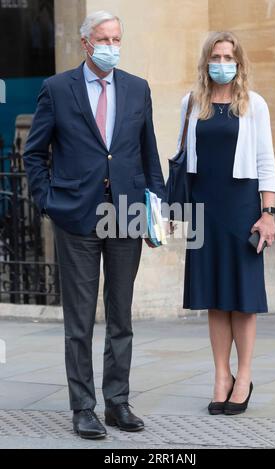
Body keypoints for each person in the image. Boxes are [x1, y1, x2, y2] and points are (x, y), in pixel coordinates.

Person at [24, 10, 166, 439]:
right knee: (80, 319)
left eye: (116, 39)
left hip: (126, 214)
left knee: (121, 315)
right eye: (103, 39)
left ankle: (117, 401)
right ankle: (82, 406)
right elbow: (34, 154)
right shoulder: (56, 89)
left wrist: (158, 203)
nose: (111, 47)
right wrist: (48, 202)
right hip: (78, 216)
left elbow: (149, 152)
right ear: (86, 43)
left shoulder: (138, 89)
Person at [176, 31, 275, 415]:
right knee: (214, 298)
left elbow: (267, 161)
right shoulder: (191, 103)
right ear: (206, 62)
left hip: (241, 206)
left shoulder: (254, 104)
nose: (222, 62)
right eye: (216, 56)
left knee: (242, 298)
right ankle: (221, 376)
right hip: (205, 206)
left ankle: (245, 376)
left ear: (239, 62)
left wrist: (267, 214)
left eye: (228, 56)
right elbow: (182, 157)